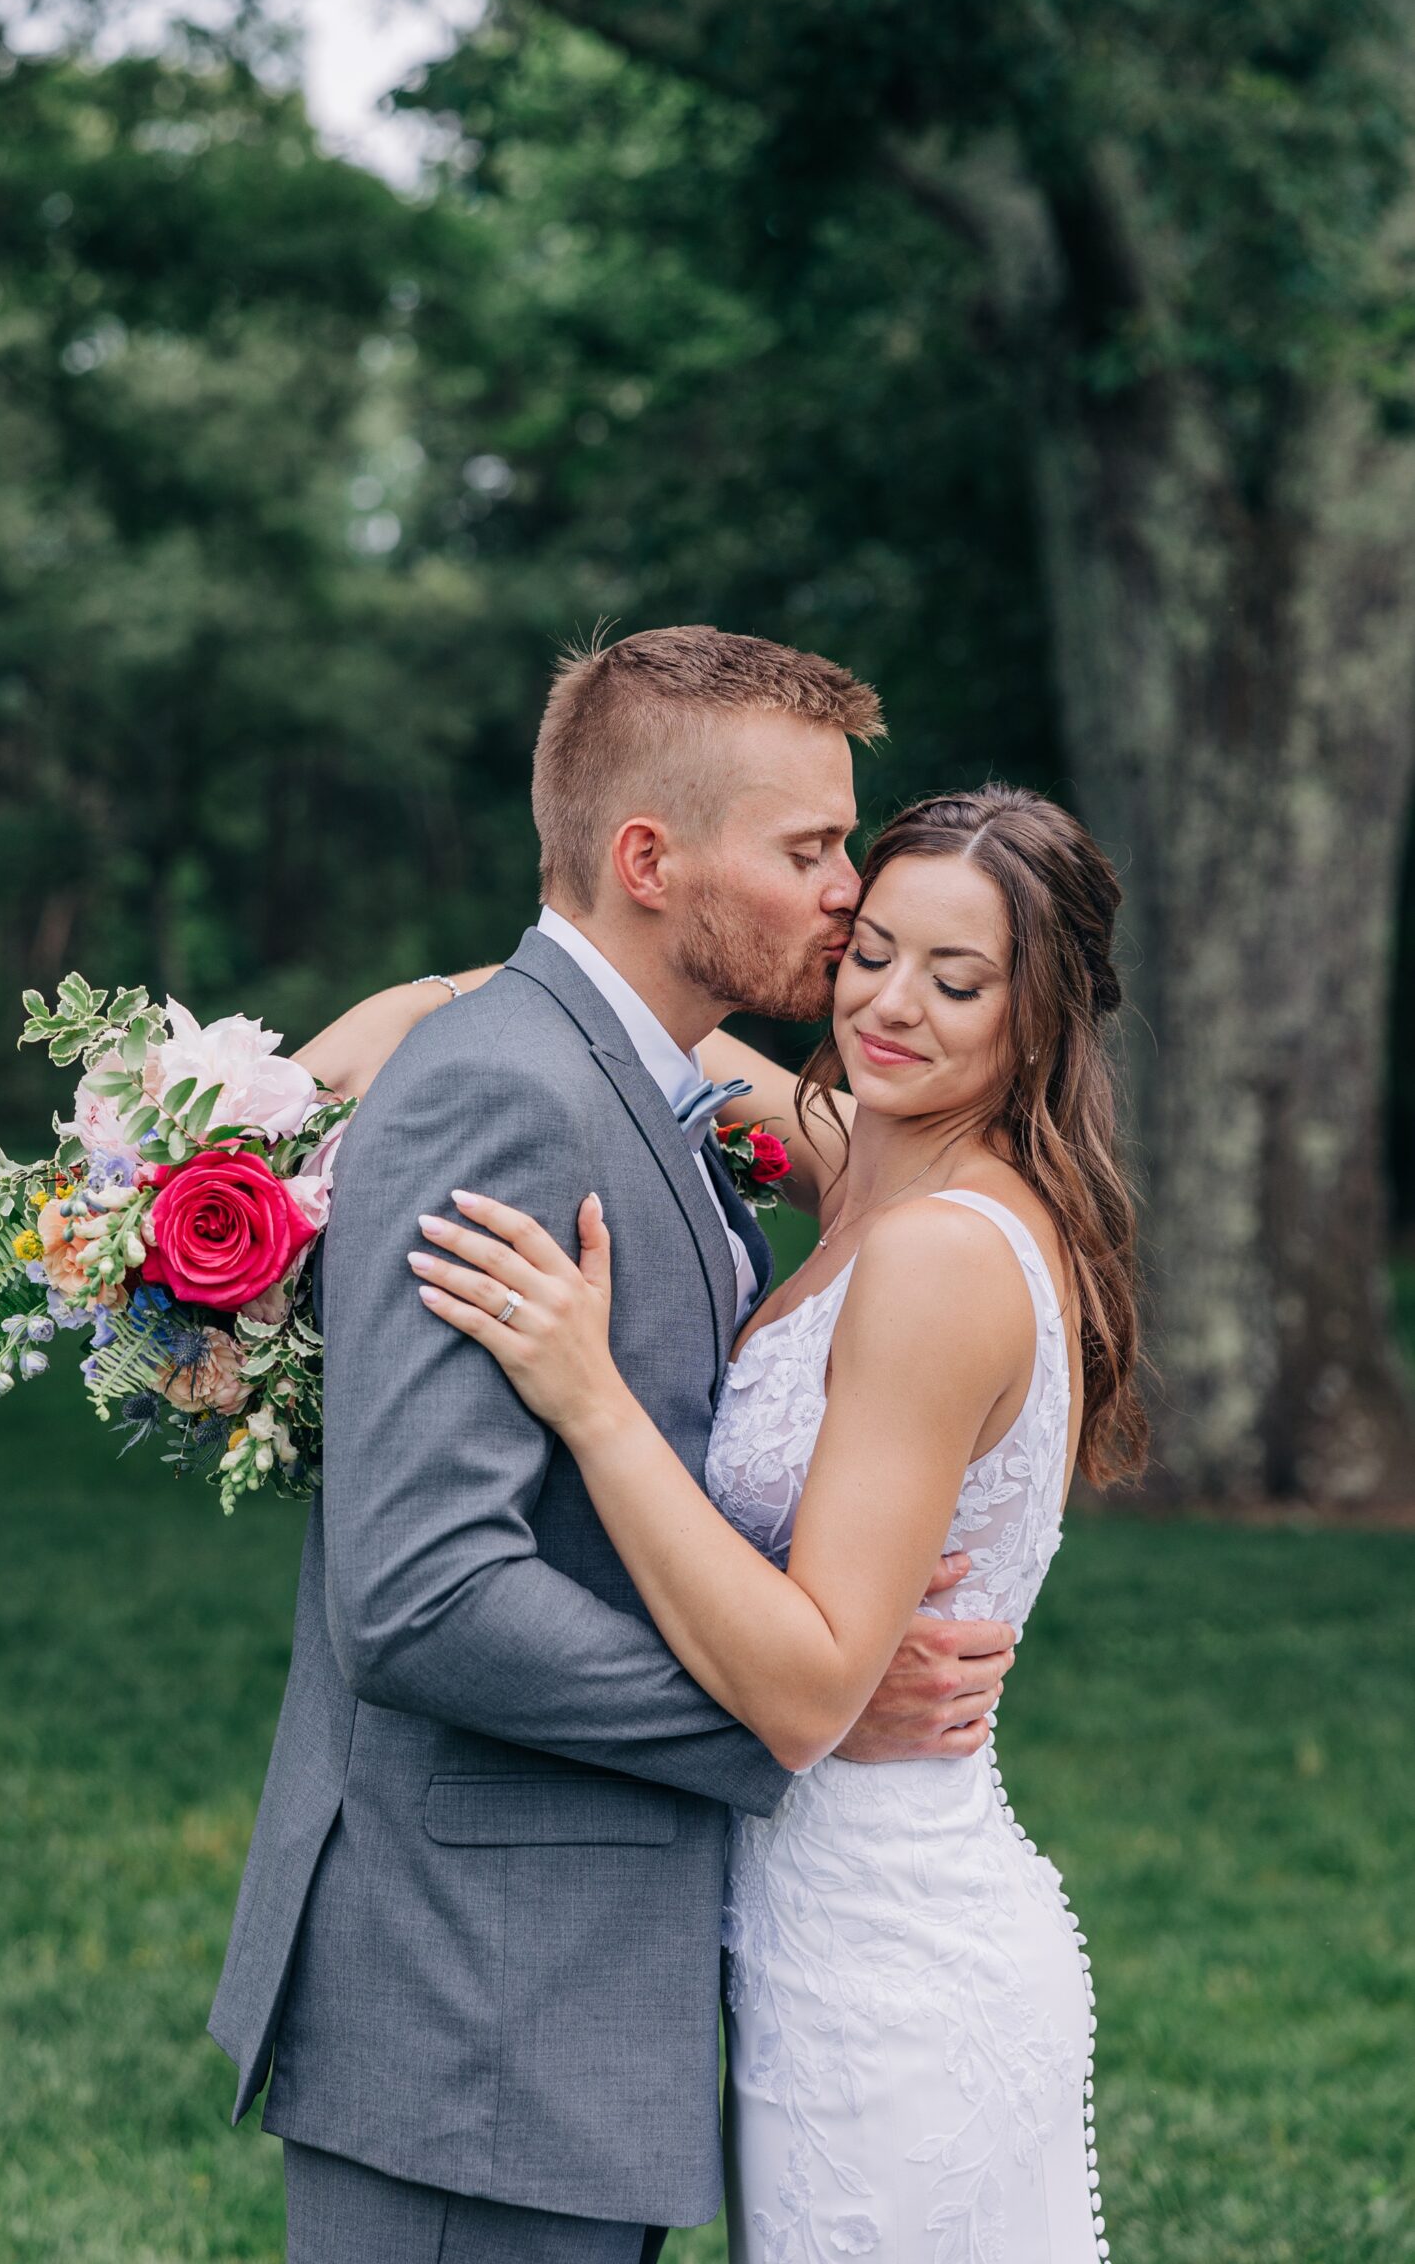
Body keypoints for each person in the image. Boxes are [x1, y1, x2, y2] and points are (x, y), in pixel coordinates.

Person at [207, 626, 1021, 2263]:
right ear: (650, 860)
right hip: (470, 2012)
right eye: (808, 849)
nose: (849, 891)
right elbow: (425, 1595)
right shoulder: (503, 1092)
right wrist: (793, 1719)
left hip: (567, 2016)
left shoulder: (630, 1083)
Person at [405, 783, 1145, 2262]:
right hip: (803, 1932)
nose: (890, 1008)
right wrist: (210, 1152)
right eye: (872, 951)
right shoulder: (868, 1159)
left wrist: (589, 1395)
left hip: (885, 1971)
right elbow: (525, 1005)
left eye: (959, 981)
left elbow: (811, 1688)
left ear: (1042, 1014)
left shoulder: (940, 1254)